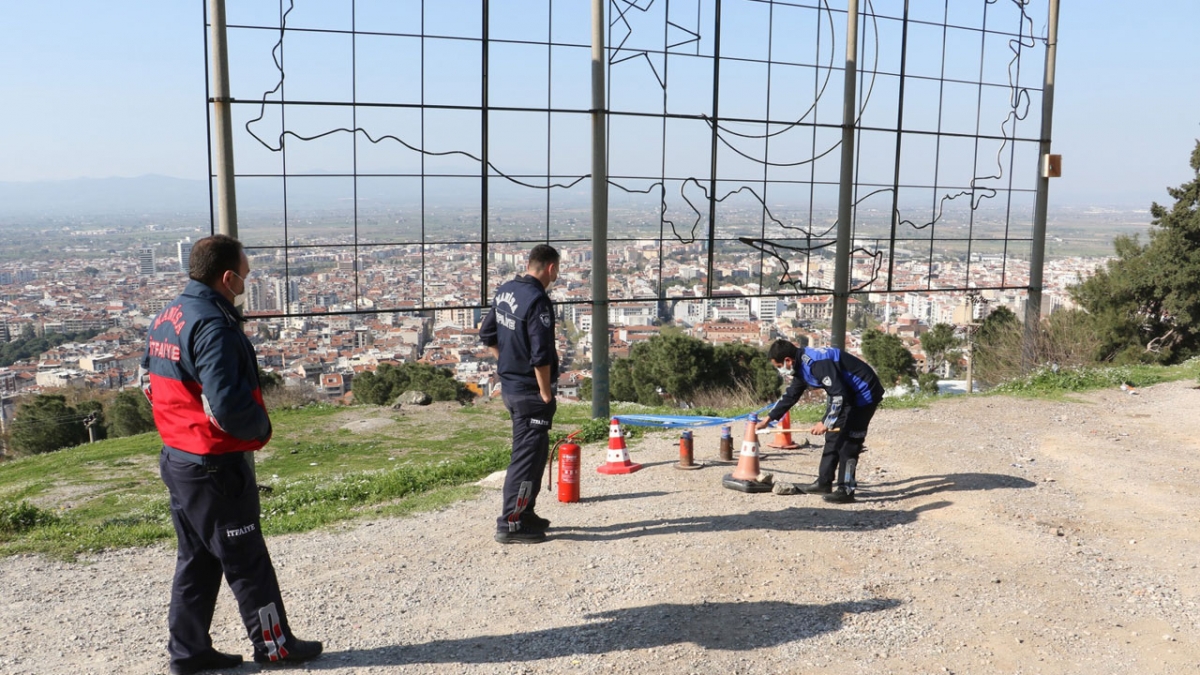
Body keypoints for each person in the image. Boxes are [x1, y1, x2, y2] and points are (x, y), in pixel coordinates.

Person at [142, 235, 322, 674]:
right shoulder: (213, 326)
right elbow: (226, 406)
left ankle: (189, 653)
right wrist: (260, 430)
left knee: (198, 559)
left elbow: (146, 382)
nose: (247, 280)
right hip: (214, 465)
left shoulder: (169, 315)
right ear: (228, 277)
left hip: (179, 458)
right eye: (245, 273)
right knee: (246, 560)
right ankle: (275, 646)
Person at [479, 244, 561, 544]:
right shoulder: (537, 300)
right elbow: (541, 356)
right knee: (527, 458)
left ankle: (526, 513)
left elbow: (486, 334)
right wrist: (545, 393)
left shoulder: (506, 290)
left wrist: (506, 362)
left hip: (511, 387)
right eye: (557, 270)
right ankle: (511, 523)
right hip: (530, 392)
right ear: (550, 268)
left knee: (535, 455)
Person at [755, 337, 885, 504]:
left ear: (787, 360)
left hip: (864, 395)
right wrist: (769, 419)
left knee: (849, 443)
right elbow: (791, 395)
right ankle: (824, 483)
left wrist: (825, 422)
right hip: (846, 396)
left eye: (780, 367)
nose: (781, 371)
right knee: (832, 438)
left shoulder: (816, 364)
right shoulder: (800, 366)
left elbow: (838, 394)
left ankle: (846, 489)